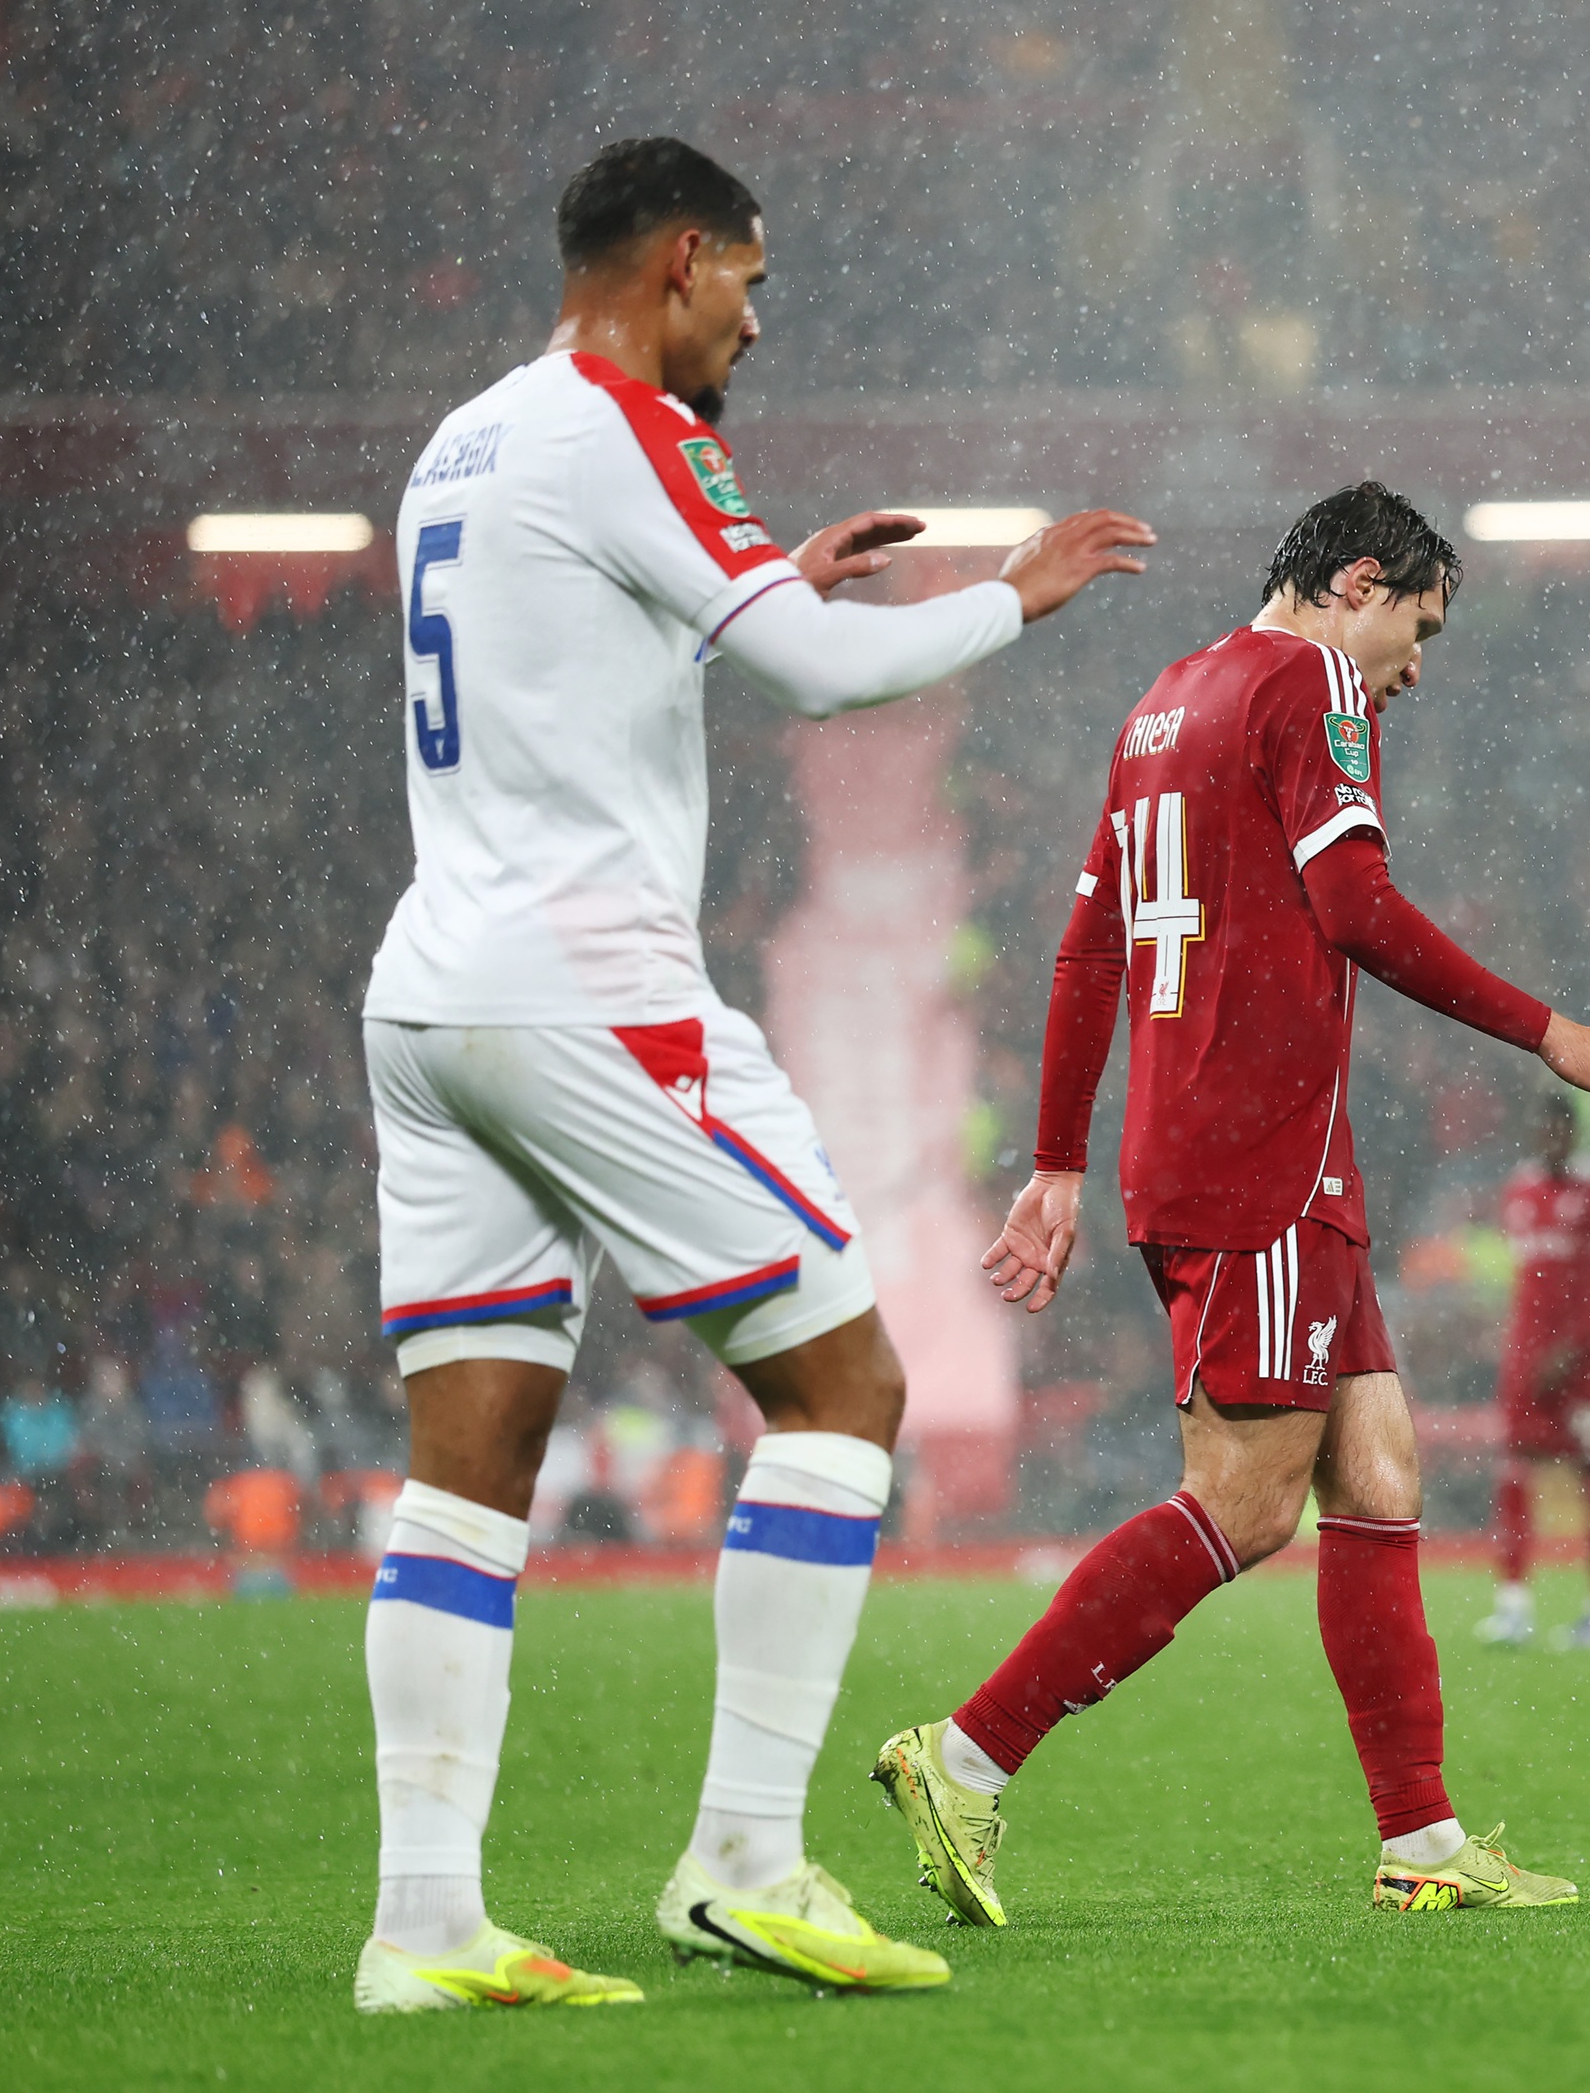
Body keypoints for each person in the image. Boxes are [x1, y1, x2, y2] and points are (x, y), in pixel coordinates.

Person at [352, 137, 1154, 2014]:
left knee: (468, 1475)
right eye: (752, 285)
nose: (758, 323)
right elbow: (822, 677)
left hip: (434, 994)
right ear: (681, 262)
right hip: (589, 994)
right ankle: (741, 1859)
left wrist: (746, 584)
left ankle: (419, 1924)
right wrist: (1015, 598)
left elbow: (569, 675)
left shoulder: (459, 444)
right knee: (846, 1384)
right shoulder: (626, 420)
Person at [873, 482, 1590, 1925]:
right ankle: (967, 1753)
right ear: (1358, 580)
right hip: (1265, 1158)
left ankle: (1420, 1835)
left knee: (1378, 1471)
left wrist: (1058, 1161)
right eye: (1417, 626)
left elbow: (1086, 951)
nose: (1416, 666)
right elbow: (1357, 906)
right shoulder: (1308, 681)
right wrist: (1552, 1030)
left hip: (1232, 1148)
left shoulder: (1166, 700)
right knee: (1242, 1506)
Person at [1476, 1089, 1590, 1652]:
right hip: (1528, 1360)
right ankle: (1514, 1608)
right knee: (1515, 1470)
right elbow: (1529, 1282)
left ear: (1573, 1133)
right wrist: (1521, 1346)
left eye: (1557, 1130)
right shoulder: (1520, 1189)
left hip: (1588, 1363)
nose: (1547, 1139)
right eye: (1539, 1129)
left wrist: (1572, 1349)